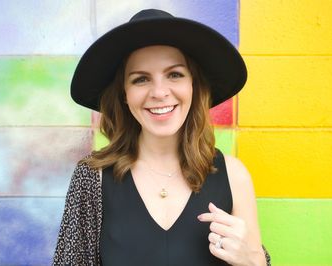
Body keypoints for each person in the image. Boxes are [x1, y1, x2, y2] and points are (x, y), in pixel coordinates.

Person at [53, 9, 271, 266]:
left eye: (175, 74)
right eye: (141, 79)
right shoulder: (93, 177)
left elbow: (255, 260)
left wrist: (252, 262)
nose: (159, 92)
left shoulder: (234, 175)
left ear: (194, 85)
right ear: (124, 94)